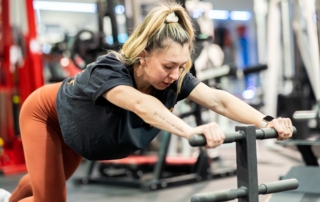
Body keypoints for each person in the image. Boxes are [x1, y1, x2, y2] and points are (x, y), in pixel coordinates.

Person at [0, 2, 293, 202]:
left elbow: (218, 100)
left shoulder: (175, 78)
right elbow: (141, 105)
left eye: (181, 66)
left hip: (78, 127)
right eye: (168, 66)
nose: (175, 74)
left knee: (47, 182)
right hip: (46, 114)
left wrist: (265, 121)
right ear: (142, 55)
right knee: (51, 197)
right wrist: (190, 132)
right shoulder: (110, 71)